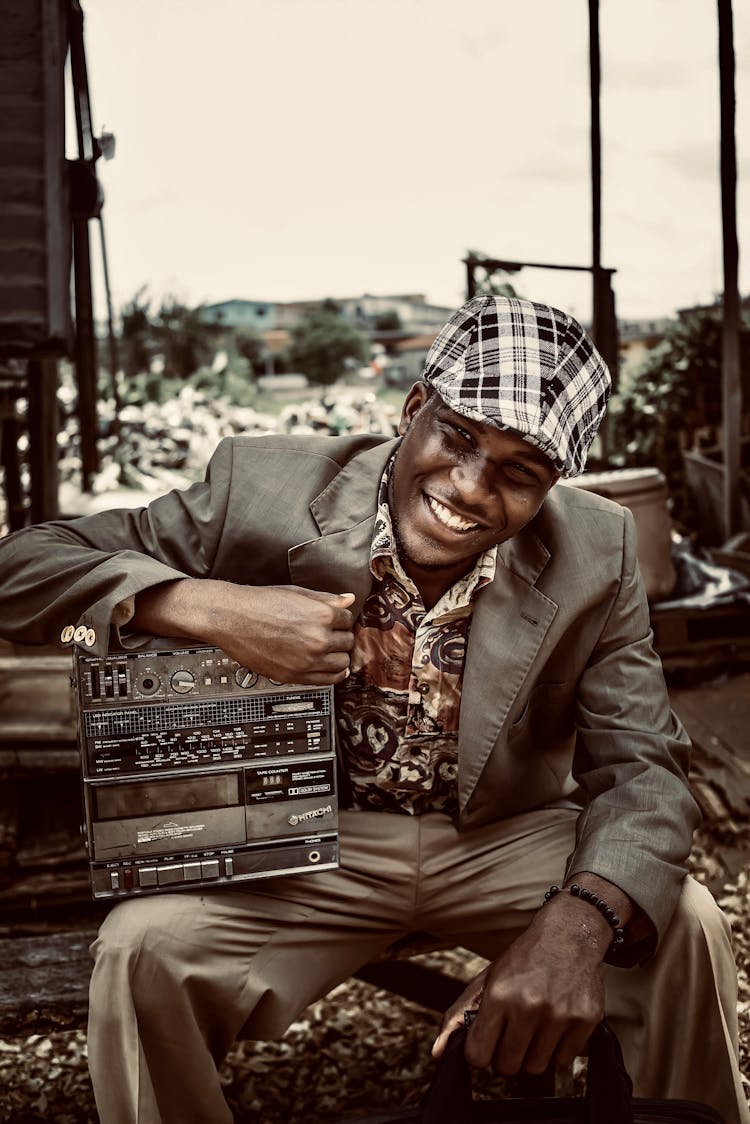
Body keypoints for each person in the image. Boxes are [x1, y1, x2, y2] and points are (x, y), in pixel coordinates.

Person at [0, 295, 746, 1124]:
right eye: (458, 436)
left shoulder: (597, 549)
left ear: (552, 486)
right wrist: (206, 608)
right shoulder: (261, 483)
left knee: (685, 923)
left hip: (502, 835)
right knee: (140, 950)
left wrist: (578, 921)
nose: (468, 486)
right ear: (415, 406)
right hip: (306, 839)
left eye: (520, 472)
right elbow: (22, 573)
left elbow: (644, 763)